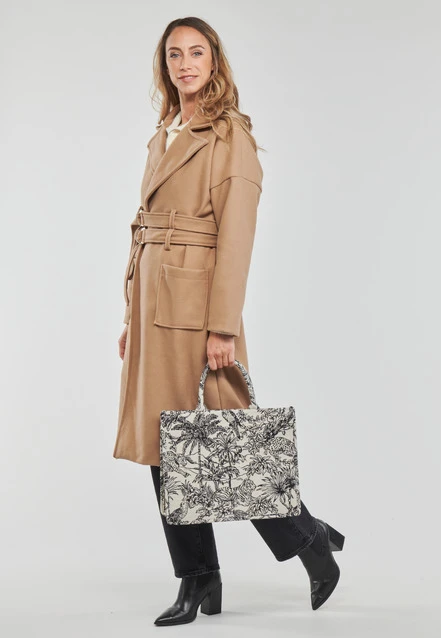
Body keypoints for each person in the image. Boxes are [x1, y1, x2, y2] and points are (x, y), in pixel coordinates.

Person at [114, 16, 345, 627]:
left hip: (195, 312)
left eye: (197, 53)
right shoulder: (165, 132)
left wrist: (223, 327)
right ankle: (200, 577)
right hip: (154, 308)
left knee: (227, 442)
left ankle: (308, 540)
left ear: (214, 61)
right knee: (168, 445)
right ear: (164, 65)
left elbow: (236, 238)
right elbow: (148, 231)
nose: (185, 64)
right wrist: (130, 317)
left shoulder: (229, 135)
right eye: (174, 55)